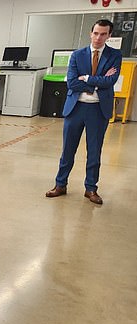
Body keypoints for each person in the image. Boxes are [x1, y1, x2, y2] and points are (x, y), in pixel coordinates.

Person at [46, 19, 122, 205]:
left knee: (94, 152)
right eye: (96, 33)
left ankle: (91, 189)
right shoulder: (77, 55)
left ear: (109, 35)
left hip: (98, 110)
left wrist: (87, 78)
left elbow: (110, 82)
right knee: (68, 150)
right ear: (90, 33)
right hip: (76, 108)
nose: (98, 37)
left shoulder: (114, 56)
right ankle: (60, 184)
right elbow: (72, 82)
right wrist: (97, 83)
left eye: (103, 34)